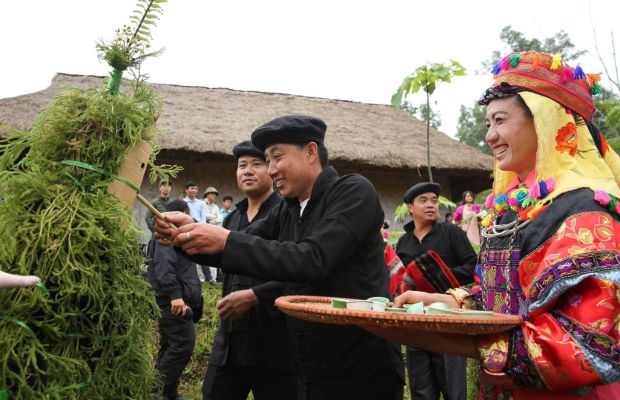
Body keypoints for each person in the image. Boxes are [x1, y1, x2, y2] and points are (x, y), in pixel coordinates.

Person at [364, 51, 620, 399]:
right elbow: (505, 297)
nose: (489, 136)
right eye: (488, 123)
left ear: (546, 121)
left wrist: (442, 337)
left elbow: (588, 347)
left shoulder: (586, 211)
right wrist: (445, 304)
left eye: (500, 120)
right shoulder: (515, 209)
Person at [155, 115, 405, 400]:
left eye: (276, 158)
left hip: (360, 368)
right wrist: (184, 233)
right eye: (268, 161)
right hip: (307, 365)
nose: (271, 170)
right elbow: (244, 243)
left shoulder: (352, 192)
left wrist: (226, 240)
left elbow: (315, 258)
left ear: (311, 152)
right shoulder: (288, 209)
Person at [203, 140, 295, 400]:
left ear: (272, 170)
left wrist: (255, 295)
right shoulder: (233, 217)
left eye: (257, 164)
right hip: (230, 340)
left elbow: (298, 271)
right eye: (242, 165)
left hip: (273, 342)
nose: (248, 171)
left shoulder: (286, 213)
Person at [396, 182, 477, 400]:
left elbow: (473, 267)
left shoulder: (451, 233)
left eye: (434, 200)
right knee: (421, 390)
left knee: (453, 391)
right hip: (415, 326)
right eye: (423, 201)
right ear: (410, 208)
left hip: (447, 323)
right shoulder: (403, 243)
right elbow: (398, 280)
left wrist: (437, 276)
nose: (430, 205)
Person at [147, 200, 202, 400]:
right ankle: (155, 392)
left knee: (170, 345)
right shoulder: (168, 233)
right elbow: (164, 268)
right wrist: (175, 296)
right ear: (183, 213)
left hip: (172, 299)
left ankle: (168, 394)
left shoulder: (175, 235)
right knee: (183, 344)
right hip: (172, 301)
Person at [203, 187, 222, 283]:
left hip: (213, 233)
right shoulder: (202, 204)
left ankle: (213, 280)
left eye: (215, 194)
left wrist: (211, 220)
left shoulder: (216, 207)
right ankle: (202, 280)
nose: (214, 195)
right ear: (207, 194)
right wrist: (212, 218)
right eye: (212, 193)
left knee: (213, 254)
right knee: (202, 255)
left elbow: (219, 219)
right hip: (203, 232)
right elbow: (204, 216)